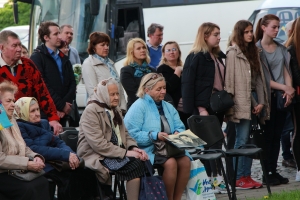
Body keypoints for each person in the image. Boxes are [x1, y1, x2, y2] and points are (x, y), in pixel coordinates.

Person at [77, 78, 148, 200]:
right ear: (104, 94)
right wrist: (126, 153)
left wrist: (134, 148)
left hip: (114, 152)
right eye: (112, 94)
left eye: (117, 94)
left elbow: (125, 134)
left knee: (142, 161)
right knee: (135, 164)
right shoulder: (91, 111)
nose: (116, 97)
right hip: (97, 154)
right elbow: (98, 144)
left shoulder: (115, 109)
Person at [14, 97, 97, 200]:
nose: (37, 113)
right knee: (70, 179)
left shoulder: (44, 123)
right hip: (41, 162)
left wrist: (71, 155)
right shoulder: (20, 126)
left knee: (87, 173)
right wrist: (66, 155)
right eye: (32, 111)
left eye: (37, 109)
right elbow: (34, 149)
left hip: (56, 159)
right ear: (23, 113)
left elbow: (57, 142)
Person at [124, 73, 191, 200]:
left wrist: (178, 132)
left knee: (185, 161)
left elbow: (180, 125)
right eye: (158, 89)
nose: (163, 92)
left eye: (164, 88)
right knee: (171, 163)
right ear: (147, 90)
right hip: (148, 149)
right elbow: (131, 134)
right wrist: (154, 135)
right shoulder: (138, 106)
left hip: (170, 147)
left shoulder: (168, 106)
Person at [181, 22, 228, 193]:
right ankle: (210, 182)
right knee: (209, 146)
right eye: (215, 34)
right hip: (204, 108)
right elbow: (189, 84)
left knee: (216, 144)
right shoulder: (196, 56)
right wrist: (200, 108)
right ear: (205, 36)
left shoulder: (216, 55)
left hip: (218, 106)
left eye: (219, 33)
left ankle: (218, 180)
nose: (219, 37)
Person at [225, 20, 269, 189]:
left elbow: (258, 80)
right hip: (240, 100)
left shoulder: (254, 52)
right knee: (241, 139)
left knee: (250, 139)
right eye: (246, 32)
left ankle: (247, 175)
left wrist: (261, 102)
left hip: (252, 99)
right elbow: (231, 82)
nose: (250, 34)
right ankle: (238, 177)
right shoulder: (233, 52)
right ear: (239, 33)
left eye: (251, 31)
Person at [255, 14, 294, 185]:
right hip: (267, 98)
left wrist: (289, 90)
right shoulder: (257, 50)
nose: (277, 30)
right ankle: (267, 172)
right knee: (268, 136)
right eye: (273, 27)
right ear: (263, 27)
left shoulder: (281, 48)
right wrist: (284, 88)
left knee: (278, 135)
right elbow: (261, 78)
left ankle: (273, 170)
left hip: (281, 97)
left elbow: (286, 70)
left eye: (278, 27)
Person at [0, 30, 62, 135]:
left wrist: (53, 118)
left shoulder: (27, 64)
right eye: (14, 46)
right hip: (3, 123)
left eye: (20, 45)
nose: (19, 49)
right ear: (2, 48)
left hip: (30, 122)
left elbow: (43, 92)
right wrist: (5, 126)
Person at [0, 81, 49, 200]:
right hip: (3, 173)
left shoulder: (8, 119)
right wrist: (26, 164)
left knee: (43, 182)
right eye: (8, 101)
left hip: (15, 170)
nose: (13, 104)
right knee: (28, 189)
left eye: (13, 100)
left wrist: (35, 157)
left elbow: (22, 146)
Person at [30, 21, 77, 127]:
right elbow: (43, 85)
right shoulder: (38, 57)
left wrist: (65, 106)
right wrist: (60, 105)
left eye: (59, 33)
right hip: (47, 114)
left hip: (64, 112)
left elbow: (72, 82)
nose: (60, 37)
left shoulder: (63, 56)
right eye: (56, 34)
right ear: (46, 37)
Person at [82, 32, 127, 113]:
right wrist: (107, 111)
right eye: (102, 45)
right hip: (101, 112)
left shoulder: (110, 63)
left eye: (107, 45)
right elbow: (93, 92)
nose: (106, 47)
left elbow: (119, 87)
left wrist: (123, 108)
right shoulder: (88, 63)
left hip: (117, 111)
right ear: (93, 47)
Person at [157, 41, 189, 127]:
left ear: (179, 52)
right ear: (164, 54)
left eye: (174, 49)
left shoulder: (185, 68)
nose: (172, 52)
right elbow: (169, 87)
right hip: (174, 107)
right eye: (168, 50)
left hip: (188, 107)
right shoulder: (162, 69)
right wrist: (177, 72)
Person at [120, 38, 155, 109]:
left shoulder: (152, 70)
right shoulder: (126, 71)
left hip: (154, 106)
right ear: (131, 52)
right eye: (138, 48)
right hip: (136, 107)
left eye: (144, 47)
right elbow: (133, 94)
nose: (142, 50)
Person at [285, 17, 300, 181]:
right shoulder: (291, 50)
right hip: (298, 97)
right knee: (298, 131)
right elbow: (296, 76)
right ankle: (299, 169)